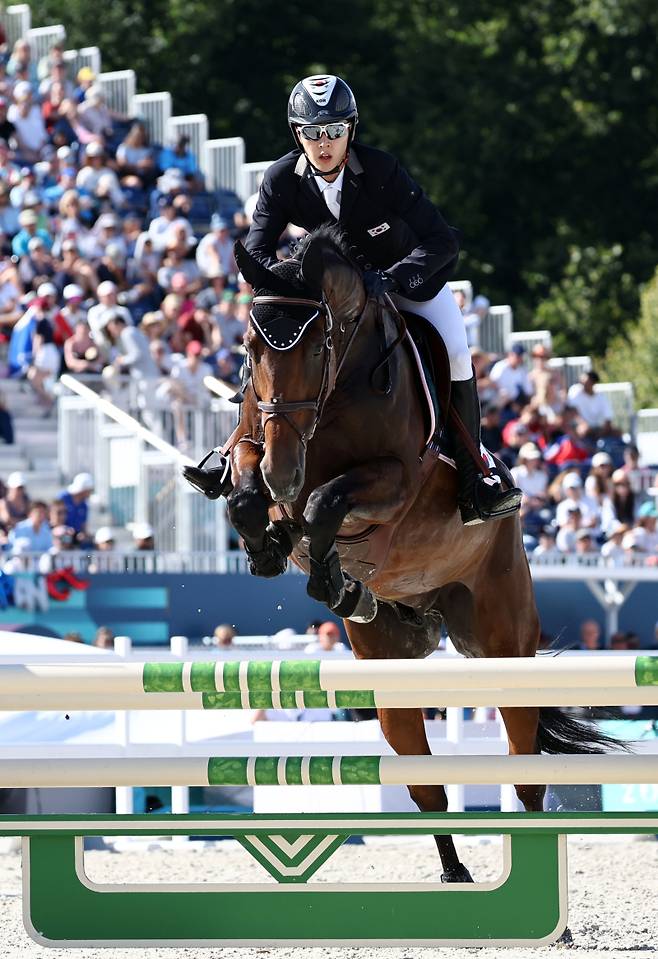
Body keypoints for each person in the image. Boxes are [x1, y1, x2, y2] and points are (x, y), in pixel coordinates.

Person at [244, 74, 520, 527]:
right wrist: (288, 285)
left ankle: (477, 478)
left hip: (407, 287)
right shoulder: (280, 179)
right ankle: (233, 449)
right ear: (298, 135)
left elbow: (441, 241)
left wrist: (391, 279)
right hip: (328, 300)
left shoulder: (381, 171)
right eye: (312, 133)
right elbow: (255, 250)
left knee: (454, 354)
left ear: (351, 129)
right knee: (269, 338)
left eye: (334, 130)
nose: (324, 143)